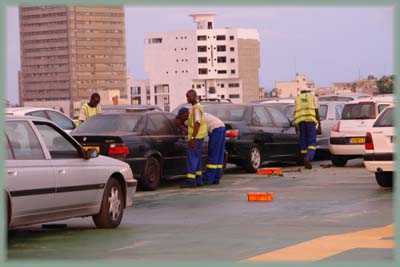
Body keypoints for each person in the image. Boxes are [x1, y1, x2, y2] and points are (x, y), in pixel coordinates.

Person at [176, 107, 226, 185]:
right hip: (221, 127)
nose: (183, 120)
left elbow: (193, 131)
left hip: (215, 129)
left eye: (181, 117)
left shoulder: (192, 117)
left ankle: (208, 179)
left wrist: (181, 127)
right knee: (218, 155)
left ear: (185, 114)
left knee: (213, 154)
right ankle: (216, 178)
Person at [180, 90, 208, 188]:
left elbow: (197, 123)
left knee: (192, 159)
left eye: (189, 97)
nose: (188, 99)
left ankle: (191, 181)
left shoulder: (196, 108)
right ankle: (199, 179)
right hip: (198, 137)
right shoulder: (195, 108)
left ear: (195, 96)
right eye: (187, 97)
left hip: (196, 138)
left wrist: (192, 138)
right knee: (197, 158)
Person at [294, 88, 321, 169]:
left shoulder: (297, 98)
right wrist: (319, 125)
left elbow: (295, 112)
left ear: (301, 91)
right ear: (308, 91)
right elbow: (316, 112)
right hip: (310, 122)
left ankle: (304, 159)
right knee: (312, 142)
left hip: (301, 123)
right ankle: (308, 157)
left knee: (303, 142)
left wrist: (296, 125)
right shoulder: (312, 97)